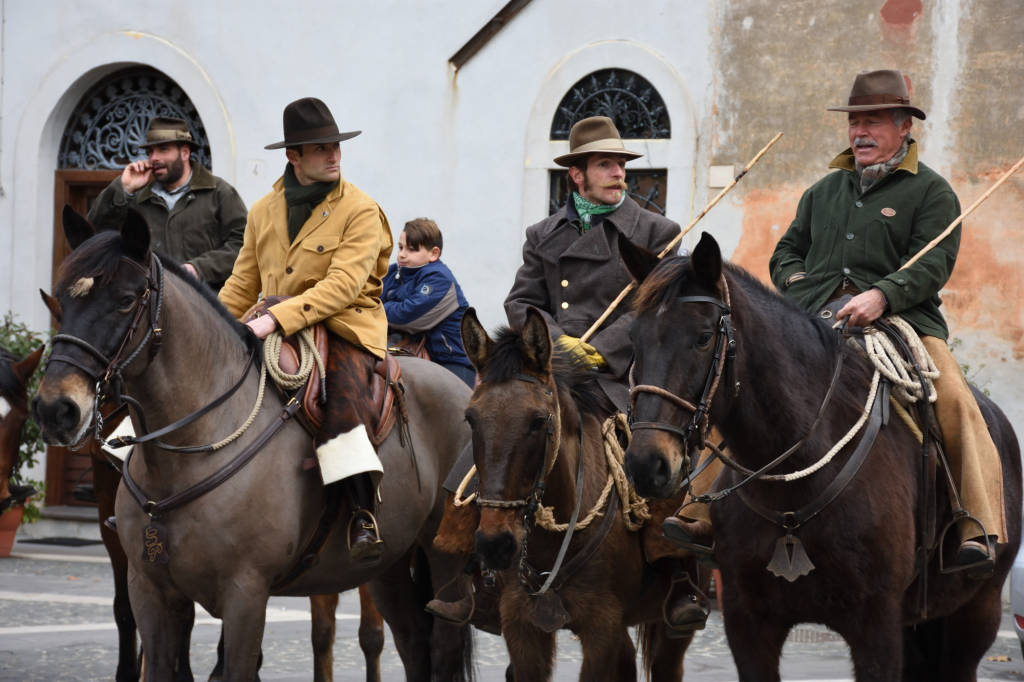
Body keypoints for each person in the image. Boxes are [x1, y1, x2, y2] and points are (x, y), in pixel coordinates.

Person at [427, 116, 707, 632]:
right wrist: (559, 346)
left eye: (621, 164)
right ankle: (466, 568)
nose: (617, 172)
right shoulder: (543, 234)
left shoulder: (657, 232)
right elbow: (521, 301)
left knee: (658, 459)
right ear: (576, 174)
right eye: (605, 164)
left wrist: (598, 351)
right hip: (548, 367)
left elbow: (660, 309)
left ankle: (676, 575)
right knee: (489, 438)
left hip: (620, 372)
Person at [769, 69, 1005, 570]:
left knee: (960, 403)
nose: (859, 132)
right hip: (816, 322)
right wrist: (796, 285)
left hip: (906, 324)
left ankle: (977, 525)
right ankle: (700, 507)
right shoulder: (823, 192)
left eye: (872, 121)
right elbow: (786, 252)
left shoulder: (933, 193)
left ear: (903, 127)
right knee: (747, 380)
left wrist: (882, 296)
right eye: (855, 121)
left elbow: (932, 265)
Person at [218, 97, 393, 562]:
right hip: (268, 323)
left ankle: (360, 511)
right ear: (293, 156)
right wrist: (212, 328)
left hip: (345, 325)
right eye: (320, 149)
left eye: (335, 146)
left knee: (343, 397)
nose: (334, 155)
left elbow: (343, 285)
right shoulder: (263, 210)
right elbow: (242, 282)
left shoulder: (361, 209)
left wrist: (276, 318)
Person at [88, 117, 246, 291]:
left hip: (207, 306)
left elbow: (243, 246)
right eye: (150, 152)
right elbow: (96, 234)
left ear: (185, 153)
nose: (154, 158)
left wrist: (198, 269)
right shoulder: (135, 197)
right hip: (150, 309)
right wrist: (123, 189)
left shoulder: (219, 193)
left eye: (163, 149)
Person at [381, 218, 475, 387]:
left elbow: (407, 315)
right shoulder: (394, 272)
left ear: (434, 254)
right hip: (410, 352)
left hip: (451, 359)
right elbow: (369, 299)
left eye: (412, 249)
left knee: (456, 410)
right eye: (401, 247)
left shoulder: (439, 279)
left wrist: (376, 309)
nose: (402, 254)